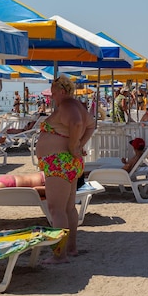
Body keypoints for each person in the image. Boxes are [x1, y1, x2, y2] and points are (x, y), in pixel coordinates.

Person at [35, 75, 96, 264]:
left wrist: (73, 146)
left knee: (56, 209)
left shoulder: (68, 105)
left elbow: (78, 124)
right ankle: (71, 248)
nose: (52, 96)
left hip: (59, 162)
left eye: (53, 92)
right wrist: (78, 144)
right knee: (68, 208)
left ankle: (59, 255)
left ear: (62, 91)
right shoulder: (77, 105)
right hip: (66, 162)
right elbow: (91, 125)